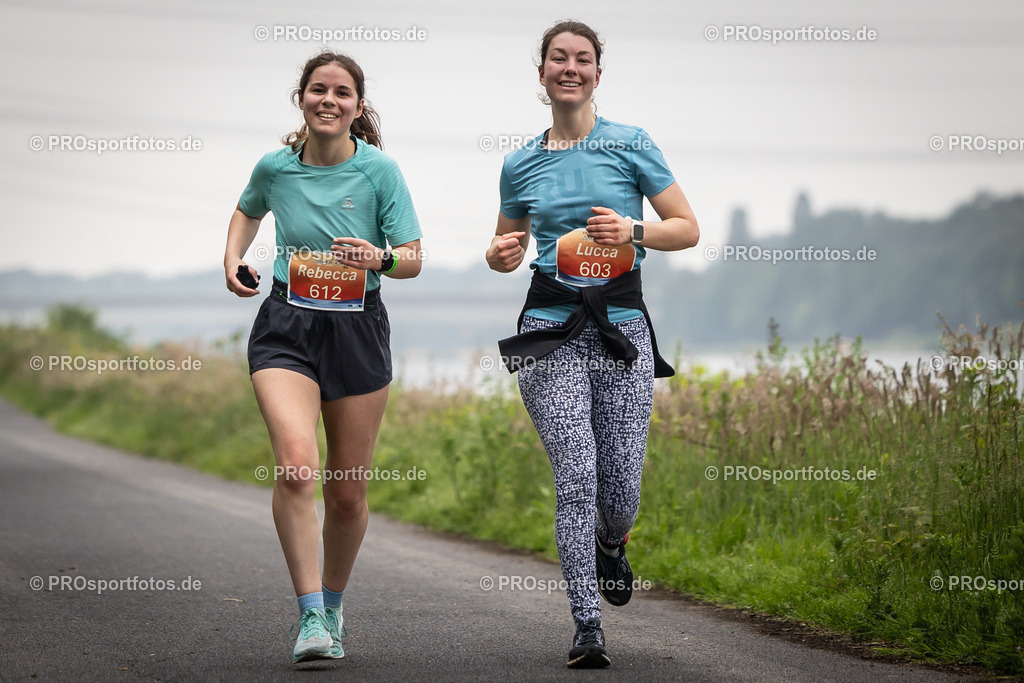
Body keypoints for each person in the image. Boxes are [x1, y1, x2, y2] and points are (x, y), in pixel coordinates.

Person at [485, 20, 699, 669]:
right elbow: (505, 247)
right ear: (543, 73)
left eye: (582, 59)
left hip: (621, 328)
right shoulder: (520, 162)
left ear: (597, 75)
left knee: (619, 489)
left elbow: (686, 228)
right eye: (558, 58)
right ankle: (587, 622)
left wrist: (633, 229)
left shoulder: (631, 144)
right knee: (575, 475)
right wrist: (499, 253)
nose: (570, 68)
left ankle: (614, 541)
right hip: (548, 330)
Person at [223, 50, 422, 663]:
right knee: (296, 468)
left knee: (345, 493)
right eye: (318, 90)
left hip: (357, 328)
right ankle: (310, 617)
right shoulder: (276, 167)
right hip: (286, 325)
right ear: (301, 99)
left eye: (342, 93)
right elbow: (247, 210)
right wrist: (234, 259)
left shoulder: (380, 172)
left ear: (358, 108)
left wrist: (377, 258)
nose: (328, 100)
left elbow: (412, 257)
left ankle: (334, 605)